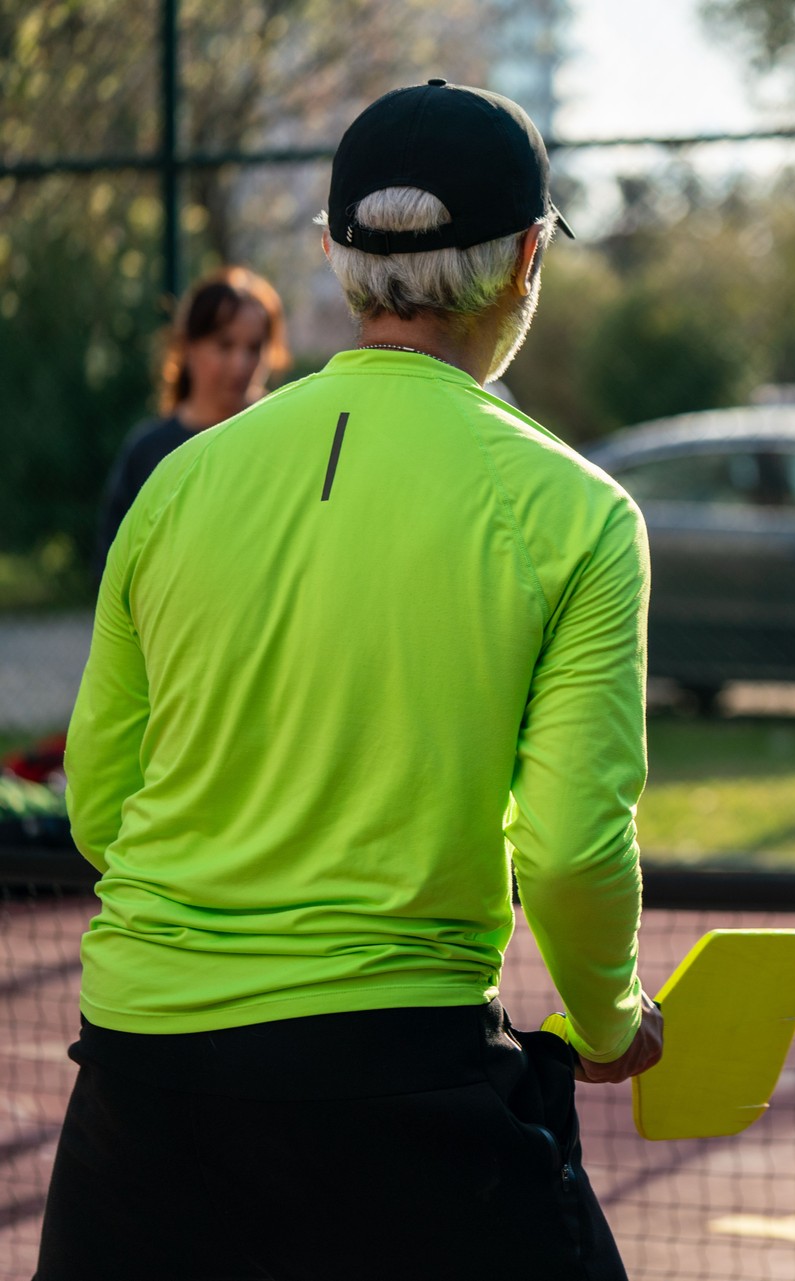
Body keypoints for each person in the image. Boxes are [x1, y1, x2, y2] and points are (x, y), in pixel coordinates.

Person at [39, 80, 661, 1281]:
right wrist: (613, 1019)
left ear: (334, 256)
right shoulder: (581, 515)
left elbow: (105, 801)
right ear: (530, 256)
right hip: (399, 1079)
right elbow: (576, 850)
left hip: (139, 1085)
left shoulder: (178, 486)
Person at [95, 266, 290, 570]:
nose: (241, 364)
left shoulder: (285, 438)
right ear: (187, 347)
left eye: (254, 347)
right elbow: (113, 567)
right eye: (224, 345)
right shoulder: (148, 452)